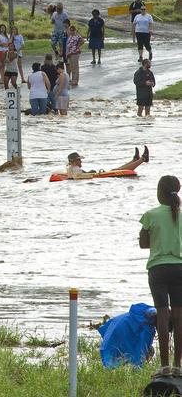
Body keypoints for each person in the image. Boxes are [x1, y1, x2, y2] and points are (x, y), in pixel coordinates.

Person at [139, 175, 182, 377]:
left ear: (159, 194)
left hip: (158, 269)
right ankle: (178, 365)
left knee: (163, 314)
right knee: (179, 315)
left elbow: (143, 243)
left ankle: (164, 366)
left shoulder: (150, 215)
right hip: (179, 268)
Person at [98, 303, 157, 369]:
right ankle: (120, 367)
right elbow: (143, 348)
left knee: (116, 353)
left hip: (118, 325)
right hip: (123, 329)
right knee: (143, 351)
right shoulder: (147, 326)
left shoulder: (142, 315)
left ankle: (116, 366)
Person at [65, 147, 149, 180]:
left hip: (98, 175)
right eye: (79, 160)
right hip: (99, 176)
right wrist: (90, 172)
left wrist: (89, 172)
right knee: (119, 170)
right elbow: (80, 177)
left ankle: (135, 160)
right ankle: (142, 159)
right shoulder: (74, 169)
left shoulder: (72, 169)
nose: (81, 161)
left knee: (117, 169)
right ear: (75, 162)